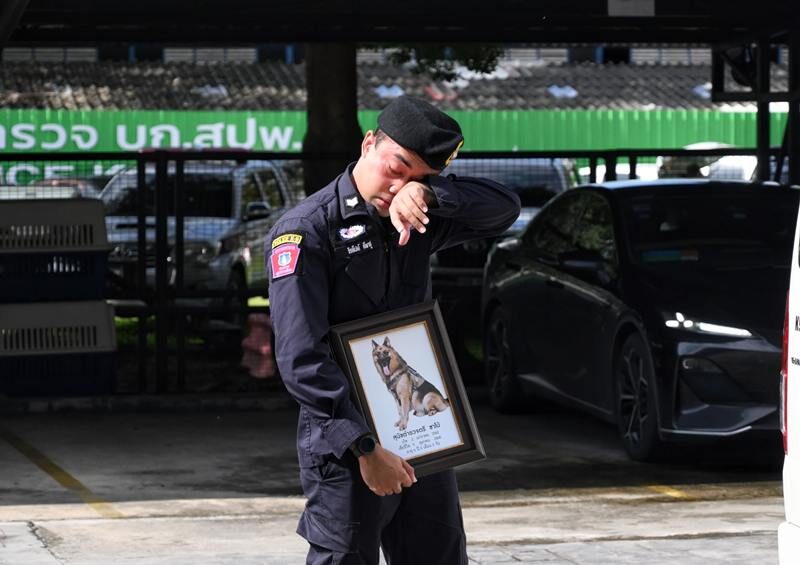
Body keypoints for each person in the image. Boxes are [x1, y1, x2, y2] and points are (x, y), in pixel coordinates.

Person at [267, 95, 520, 564]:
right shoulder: (307, 231)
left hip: (421, 436)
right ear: (368, 144)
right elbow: (301, 359)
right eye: (396, 168)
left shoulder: (418, 219)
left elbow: (505, 207)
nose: (400, 185)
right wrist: (365, 448)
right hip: (346, 444)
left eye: (420, 177)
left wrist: (432, 196)